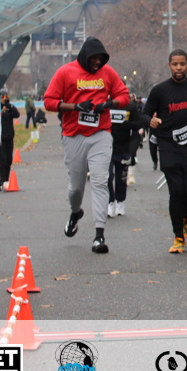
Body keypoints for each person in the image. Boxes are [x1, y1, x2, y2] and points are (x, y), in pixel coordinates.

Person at [43, 37, 129, 254]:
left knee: (100, 181)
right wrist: (75, 107)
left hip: (101, 133)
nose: (97, 63)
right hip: (74, 135)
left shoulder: (108, 73)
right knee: (76, 188)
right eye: (94, 59)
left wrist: (109, 103)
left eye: (101, 59)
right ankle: (75, 212)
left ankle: (99, 235)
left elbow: (124, 96)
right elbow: (49, 101)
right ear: (84, 57)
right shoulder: (65, 72)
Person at [143, 50, 187, 253]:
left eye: (182, 64)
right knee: (176, 192)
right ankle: (178, 238)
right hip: (169, 147)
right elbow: (144, 114)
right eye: (175, 64)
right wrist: (151, 121)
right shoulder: (159, 90)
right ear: (169, 66)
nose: (179, 68)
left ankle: (185, 216)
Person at [108, 94, 146, 216]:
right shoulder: (106, 105)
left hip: (123, 147)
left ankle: (120, 201)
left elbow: (138, 125)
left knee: (121, 178)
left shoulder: (131, 106)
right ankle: (110, 202)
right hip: (107, 146)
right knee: (108, 176)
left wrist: (126, 124)